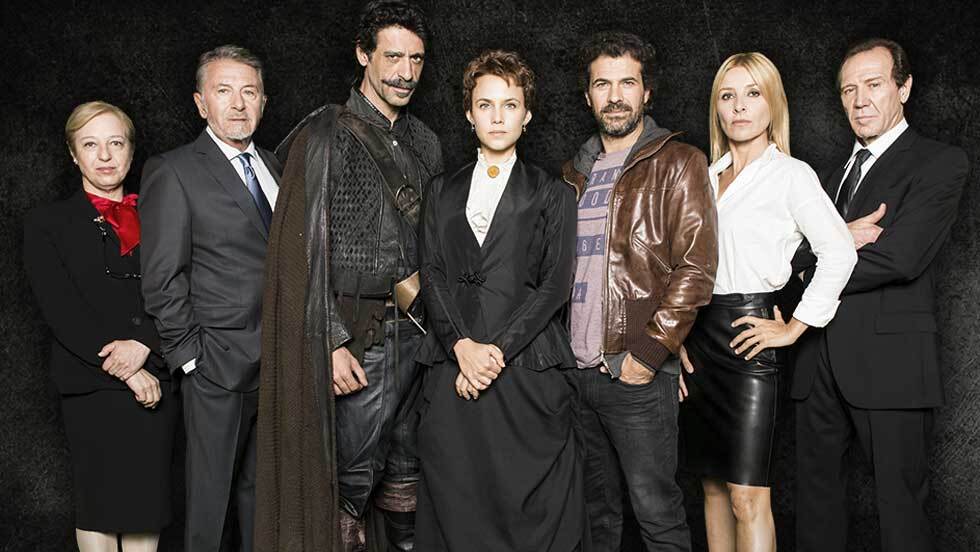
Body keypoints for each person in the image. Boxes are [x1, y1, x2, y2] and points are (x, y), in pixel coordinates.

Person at [255, 2, 443, 550]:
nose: (405, 72)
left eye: (416, 59)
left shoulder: (427, 141)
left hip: (420, 334)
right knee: (350, 481)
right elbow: (301, 250)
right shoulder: (324, 135)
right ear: (364, 54)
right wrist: (331, 340)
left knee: (407, 472)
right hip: (361, 336)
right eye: (393, 57)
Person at [790, 38, 969, 552]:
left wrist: (815, 263)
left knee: (900, 512)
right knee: (815, 507)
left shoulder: (940, 162)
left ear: (904, 88)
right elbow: (787, 260)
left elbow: (901, 257)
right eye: (849, 89)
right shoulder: (825, 178)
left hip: (892, 365)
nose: (860, 99)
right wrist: (837, 244)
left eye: (873, 84)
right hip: (815, 359)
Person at [675, 52, 857, 552]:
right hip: (698, 342)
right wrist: (676, 339)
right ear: (717, 108)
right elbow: (679, 266)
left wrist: (795, 326)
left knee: (746, 497)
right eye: (728, 96)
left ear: (773, 103)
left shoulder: (791, 175)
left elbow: (839, 251)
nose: (739, 106)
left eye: (753, 94)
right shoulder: (702, 177)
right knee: (712, 489)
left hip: (749, 340)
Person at [413, 49, 585, 551]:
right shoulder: (439, 190)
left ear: (526, 115)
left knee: (524, 507)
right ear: (469, 114)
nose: (497, 116)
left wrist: (492, 354)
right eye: (485, 105)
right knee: (457, 499)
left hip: (524, 367)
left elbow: (555, 286)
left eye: (510, 105)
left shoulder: (554, 193)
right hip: (451, 365)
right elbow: (432, 274)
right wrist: (461, 347)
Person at [561, 31, 718, 552]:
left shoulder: (680, 162)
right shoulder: (572, 173)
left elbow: (696, 268)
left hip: (633, 371)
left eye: (627, 83)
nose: (615, 96)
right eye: (602, 84)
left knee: (657, 515)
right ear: (588, 95)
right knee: (595, 517)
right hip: (575, 372)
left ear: (647, 92)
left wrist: (650, 354)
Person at [139, 45, 281, 552]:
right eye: (224, 91)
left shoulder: (274, 165)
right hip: (216, 368)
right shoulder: (173, 170)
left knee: (262, 508)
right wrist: (191, 359)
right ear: (201, 103)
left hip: (277, 366)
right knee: (210, 511)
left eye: (249, 92)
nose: (238, 104)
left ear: (264, 102)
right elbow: (161, 276)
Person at [23, 101, 179, 552]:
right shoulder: (46, 223)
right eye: (91, 145)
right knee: (99, 507)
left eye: (116, 143)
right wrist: (127, 369)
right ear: (74, 154)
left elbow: (185, 291)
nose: (105, 155)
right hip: (92, 386)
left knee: (146, 507)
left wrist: (146, 347)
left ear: (131, 149)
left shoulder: (165, 215)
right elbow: (61, 310)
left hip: (158, 380)